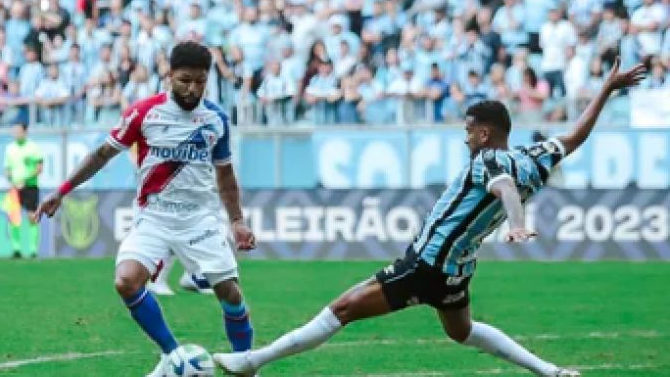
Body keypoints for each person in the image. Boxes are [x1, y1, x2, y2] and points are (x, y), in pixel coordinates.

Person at [214, 59, 647, 377]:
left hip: (427, 264)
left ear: (483, 133)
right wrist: (607, 90)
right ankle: (549, 370)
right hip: (457, 271)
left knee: (342, 309)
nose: (463, 139)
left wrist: (516, 222)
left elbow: (504, 188)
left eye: (466, 131)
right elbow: (574, 138)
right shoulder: (534, 158)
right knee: (461, 331)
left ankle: (252, 361)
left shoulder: (488, 159)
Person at [34, 42, 257, 376]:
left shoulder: (216, 120)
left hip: (200, 219)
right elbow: (101, 155)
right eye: (184, 80)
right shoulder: (144, 113)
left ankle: (246, 364)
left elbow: (225, 175)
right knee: (126, 281)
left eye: (199, 81)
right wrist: (62, 191)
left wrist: (237, 221)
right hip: (153, 217)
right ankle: (173, 356)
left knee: (231, 294)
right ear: (168, 76)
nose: (192, 88)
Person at [4, 123, 44, 259]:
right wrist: (10, 178)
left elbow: (39, 168)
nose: (16, 134)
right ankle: (16, 249)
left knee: (32, 216)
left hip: (30, 186)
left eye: (19, 131)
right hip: (15, 187)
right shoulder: (10, 149)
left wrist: (25, 180)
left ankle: (33, 250)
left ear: (25, 132)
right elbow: (7, 168)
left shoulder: (33, 148)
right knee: (14, 217)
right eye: (14, 131)